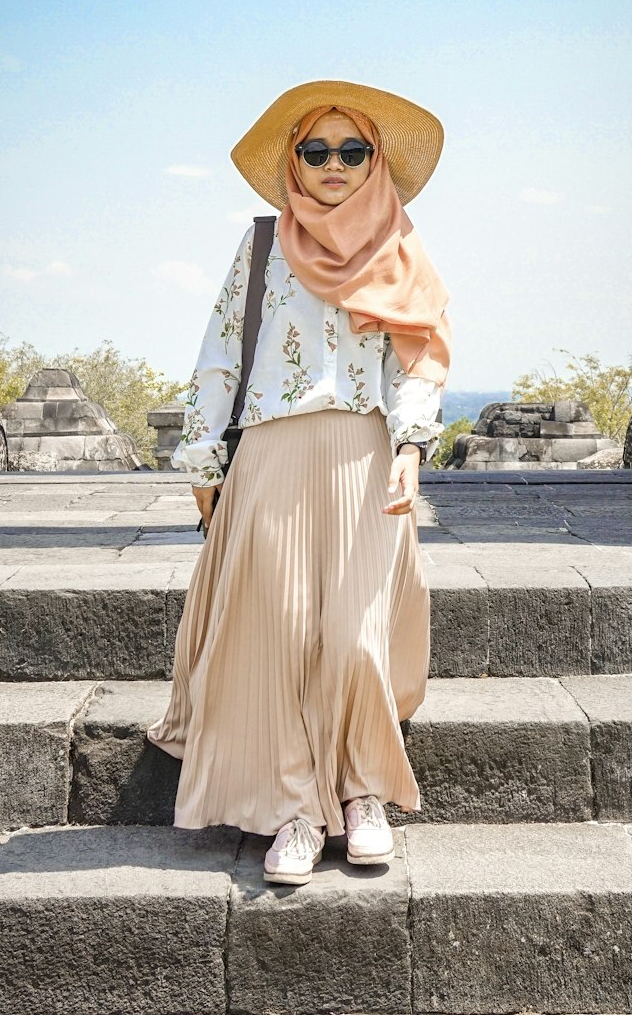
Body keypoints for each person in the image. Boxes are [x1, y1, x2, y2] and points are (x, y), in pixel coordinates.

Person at [147, 79, 451, 886]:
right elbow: (218, 358)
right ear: (294, 160)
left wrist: (412, 446)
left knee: (355, 634)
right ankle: (293, 809)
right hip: (273, 458)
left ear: (374, 159)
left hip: (364, 456)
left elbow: (417, 359)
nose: (334, 166)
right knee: (278, 634)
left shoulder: (399, 249)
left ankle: (361, 794)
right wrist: (204, 460)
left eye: (353, 151)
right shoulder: (260, 247)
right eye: (316, 151)